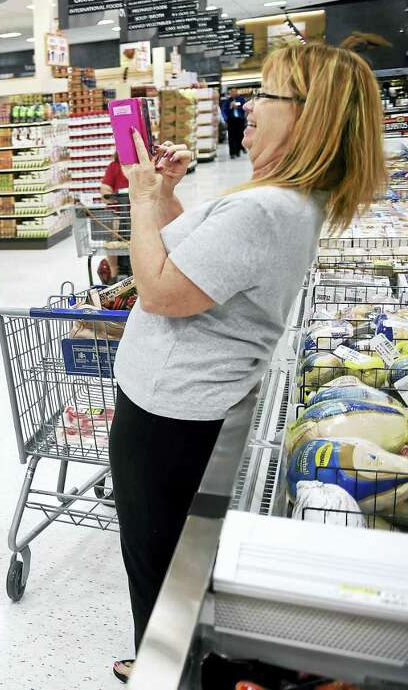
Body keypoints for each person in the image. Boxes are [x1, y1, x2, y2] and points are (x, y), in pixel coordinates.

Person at [107, 43, 385, 683]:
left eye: (266, 94)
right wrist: (167, 194)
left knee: (156, 558)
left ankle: (166, 670)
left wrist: (142, 198)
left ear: (307, 115)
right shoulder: (286, 199)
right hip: (195, 402)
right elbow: (203, 267)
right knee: (172, 551)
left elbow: (162, 291)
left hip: (170, 410)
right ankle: (167, 659)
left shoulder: (264, 208)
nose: (248, 106)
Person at [98, 156, 130, 283]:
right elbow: (105, 187)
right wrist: (108, 195)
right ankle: (114, 273)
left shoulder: (144, 166)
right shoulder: (114, 167)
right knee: (111, 228)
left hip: (141, 212)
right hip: (118, 212)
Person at [221, 87, 248, 158]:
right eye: (232, 92)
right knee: (231, 137)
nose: (233, 93)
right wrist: (230, 107)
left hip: (240, 120)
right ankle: (232, 153)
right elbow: (224, 111)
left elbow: (244, 109)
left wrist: (238, 107)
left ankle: (238, 151)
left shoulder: (241, 100)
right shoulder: (227, 101)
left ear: (237, 92)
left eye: (234, 92)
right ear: (230, 93)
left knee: (240, 136)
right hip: (231, 120)